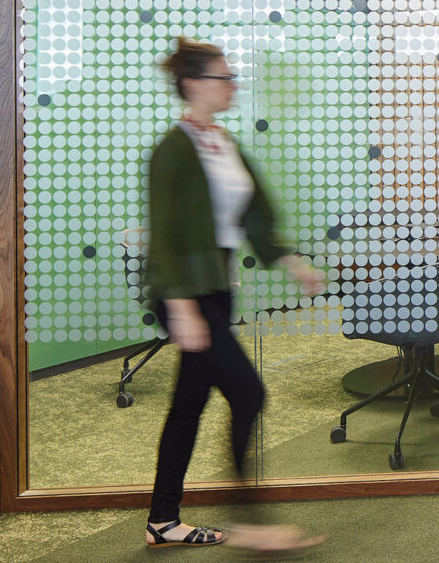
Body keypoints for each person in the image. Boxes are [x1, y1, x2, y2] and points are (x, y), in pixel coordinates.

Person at [142, 37, 326, 553]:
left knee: (189, 404)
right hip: (186, 292)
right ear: (195, 85)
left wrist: (289, 260)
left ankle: (163, 520)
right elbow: (165, 235)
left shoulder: (220, 141)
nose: (232, 86)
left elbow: (253, 211)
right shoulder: (171, 151)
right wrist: (180, 307)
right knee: (248, 393)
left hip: (216, 289)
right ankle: (250, 522)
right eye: (224, 78)